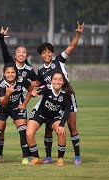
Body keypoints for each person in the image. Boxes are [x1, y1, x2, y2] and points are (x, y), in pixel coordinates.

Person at [36, 21, 84, 165]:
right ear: (41, 55)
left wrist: (78, 34)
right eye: (44, 53)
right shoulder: (40, 70)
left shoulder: (59, 60)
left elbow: (71, 47)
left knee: (71, 127)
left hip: (67, 97)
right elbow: (38, 85)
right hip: (53, 101)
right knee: (49, 128)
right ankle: (49, 157)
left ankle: (77, 156)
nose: (47, 54)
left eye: (49, 52)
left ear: (52, 53)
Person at [0, 26, 39, 162]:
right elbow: (4, 51)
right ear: (15, 55)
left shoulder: (28, 69)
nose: (21, 54)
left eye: (24, 53)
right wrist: (1, 38)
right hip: (4, 101)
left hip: (19, 104)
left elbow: (36, 82)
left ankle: (26, 157)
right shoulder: (10, 63)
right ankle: (0, 155)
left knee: (23, 130)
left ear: (26, 56)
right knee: (0, 128)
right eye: (19, 52)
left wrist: (35, 91)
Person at [27, 71, 72, 166]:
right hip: (39, 114)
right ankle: (36, 158)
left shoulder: (66, 93)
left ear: (63, 82)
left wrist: (62, 125)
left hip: (53, 117)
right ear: (51, 81)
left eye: (60, 79)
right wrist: (34, 93)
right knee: (29, 133)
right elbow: (38, 91)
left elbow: (67, 111)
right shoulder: (47, 88)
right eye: (55, 79)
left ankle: (60, 158)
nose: (57, 82)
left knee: (61, 132)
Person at [0, 63, 33, 164]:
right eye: (8, 72)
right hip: (2, 107)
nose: (10, 74)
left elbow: (31, 89)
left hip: (17, 107)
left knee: (23, 130)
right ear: (4, 74)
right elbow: (3, 104)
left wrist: (24, 104)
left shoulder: (21, 80)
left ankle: (26, 157)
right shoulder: (1, 85)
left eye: (13, 72)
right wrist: (8, 94)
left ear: (16, 73)